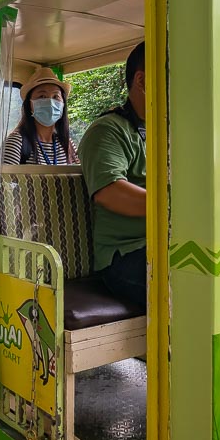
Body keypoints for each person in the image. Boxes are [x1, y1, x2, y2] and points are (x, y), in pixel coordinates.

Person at [78, 42, 147, 309]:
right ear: (141, 80)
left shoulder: (170, 133)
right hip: (127, 256)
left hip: (176, 246)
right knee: (208, 288)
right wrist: (180, 207)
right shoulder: (108, 130)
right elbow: (110, 192)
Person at [3, 67, 80, 165]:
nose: (50, 102)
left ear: (63, 105)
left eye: (56, 97)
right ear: (30, 105)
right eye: (42, 96)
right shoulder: (17, 142)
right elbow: (5, 180)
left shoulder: (67, 143)